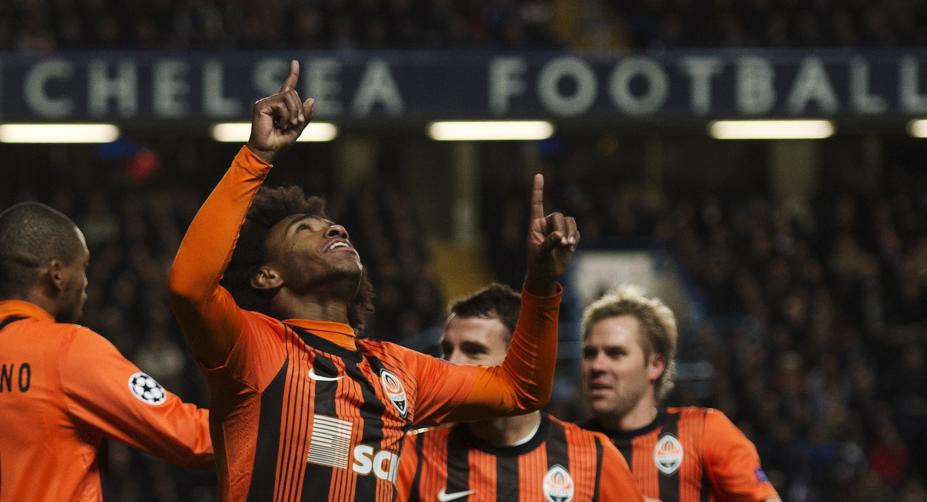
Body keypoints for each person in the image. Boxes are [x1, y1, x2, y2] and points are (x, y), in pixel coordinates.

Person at [167, 60, 580, 501]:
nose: (335, 229)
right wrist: (256, 158)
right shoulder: (253, 348)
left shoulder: (397, 370)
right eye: (304, 229)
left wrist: (539, 285)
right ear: (268, 276)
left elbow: (522, 389)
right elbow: (190, 287)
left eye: (333, 226)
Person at [0, 202, 213, 502]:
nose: (86, 284)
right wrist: (285, 426)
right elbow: (191, 437)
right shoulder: (67, 349)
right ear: (56, 274)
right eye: (83, 267)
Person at [396, 283, 640, 502]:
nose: (450, 364)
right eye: (447, 350)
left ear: (519, 363)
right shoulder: (410, 456)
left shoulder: (594, 458)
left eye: (473, 350)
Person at [579, 285, 781, 502]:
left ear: (655, 365)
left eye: (615, 353)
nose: (597, 365)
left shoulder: (705, 432)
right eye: (590, 354)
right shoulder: (564, 446)